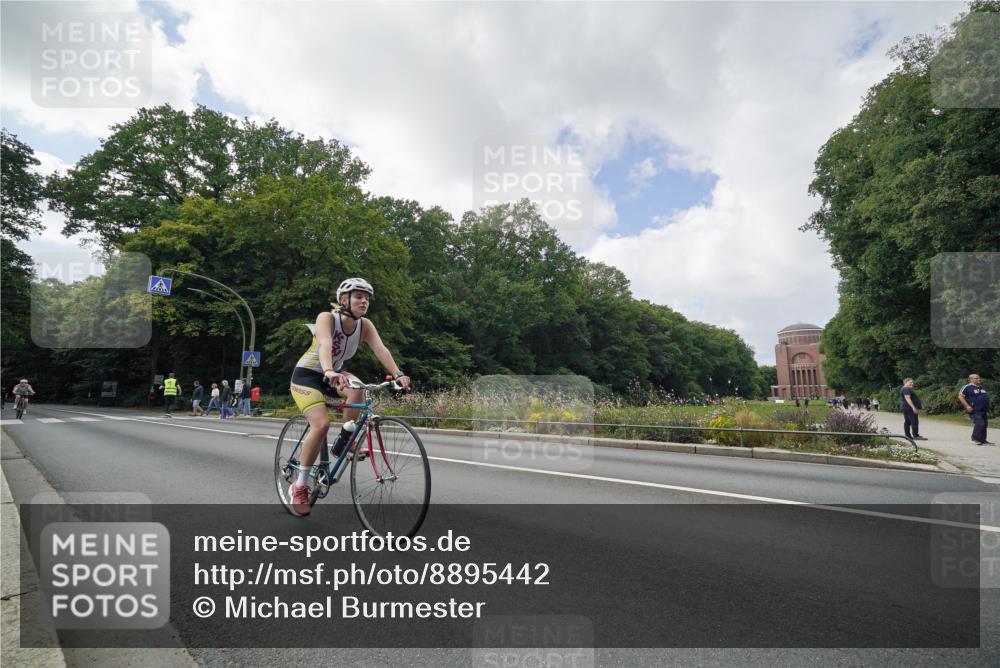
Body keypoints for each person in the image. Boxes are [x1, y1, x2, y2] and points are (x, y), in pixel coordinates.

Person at [287, 277, 411, 516]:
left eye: (367, 298)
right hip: (308, 375)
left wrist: (398, 373)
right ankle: (300, 484)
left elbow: (381, 350)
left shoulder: (365, 325)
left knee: (359, 388)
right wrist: (330, 370)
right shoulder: (327, 318)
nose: (364, 301)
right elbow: (324, 344)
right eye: (358, 296)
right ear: (344, 300)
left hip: (335, 373)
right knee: (321, 424)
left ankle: (345, 440)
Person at [959, 374, 992, 445]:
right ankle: (974, 439)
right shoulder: (967, 387)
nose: (979, 379)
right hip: (974, 410)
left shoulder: (981, 388)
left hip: (983, 410)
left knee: (984, 425)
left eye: (979, 378)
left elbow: (984, 399)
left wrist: (988, 409)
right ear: (971, 379)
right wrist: (967, 406)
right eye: (976, 378)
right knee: (980, 424)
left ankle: (982, 440)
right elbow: (960, 397)